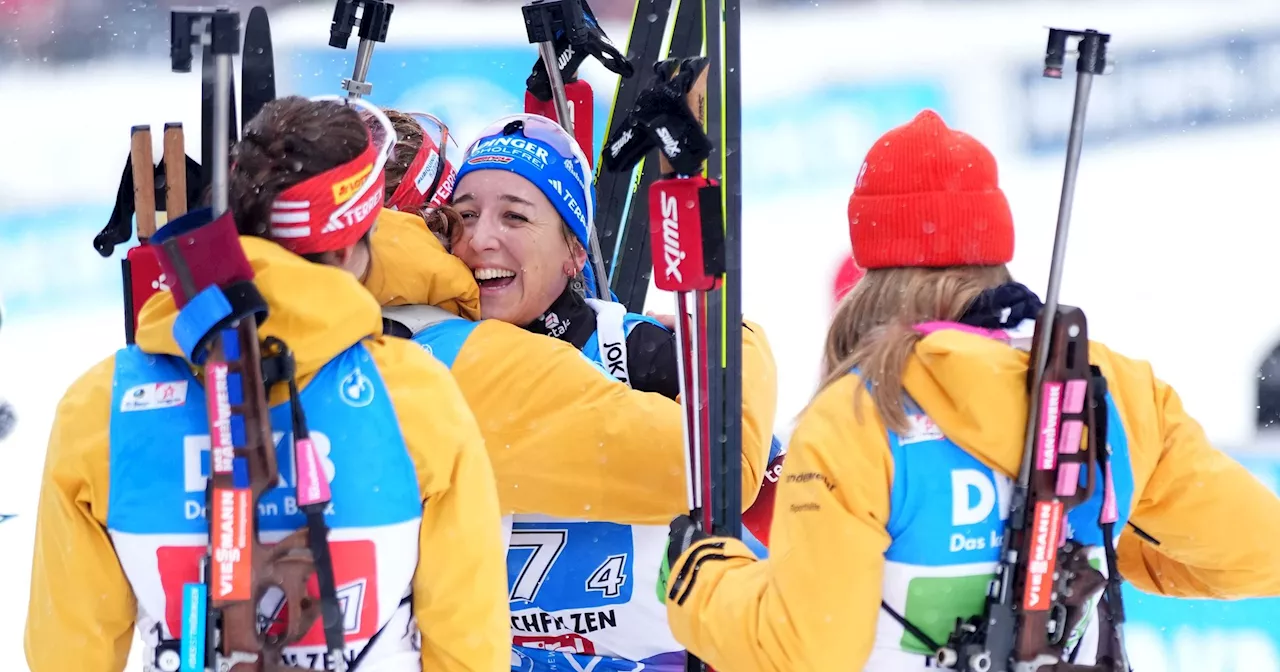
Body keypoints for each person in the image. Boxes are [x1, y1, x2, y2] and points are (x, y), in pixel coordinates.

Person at [659, 109, 1280, 671]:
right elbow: (1261, 550)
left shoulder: (857, 415)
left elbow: (809, 647)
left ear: (874, 265)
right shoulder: (1114, 387)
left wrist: (700, 578)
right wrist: (1104, 539)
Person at [25, 96, 511, 672]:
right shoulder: (418, 398)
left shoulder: (100, 407)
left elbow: (66, 654)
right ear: (354, 249)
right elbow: (469, 651)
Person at [443, 112, 778, 671]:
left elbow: (741, 471)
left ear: (575, 252)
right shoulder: (428, 346)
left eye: (514, 217)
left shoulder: (632, 349)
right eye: (465, 216)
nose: (480, 239)